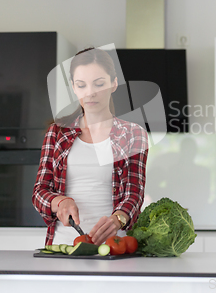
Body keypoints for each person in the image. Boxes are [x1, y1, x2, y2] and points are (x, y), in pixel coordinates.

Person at [32, 47, 148, 246]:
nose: (90, 93)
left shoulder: (133, 134)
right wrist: (60, 202)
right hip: (64, 245)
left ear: (113, 83)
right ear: (73, 88)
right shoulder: (56, 133)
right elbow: (40, 191)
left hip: (115, 247)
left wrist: (117, 219)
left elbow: (134, 194)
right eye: (82, 85)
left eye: (99, 84)